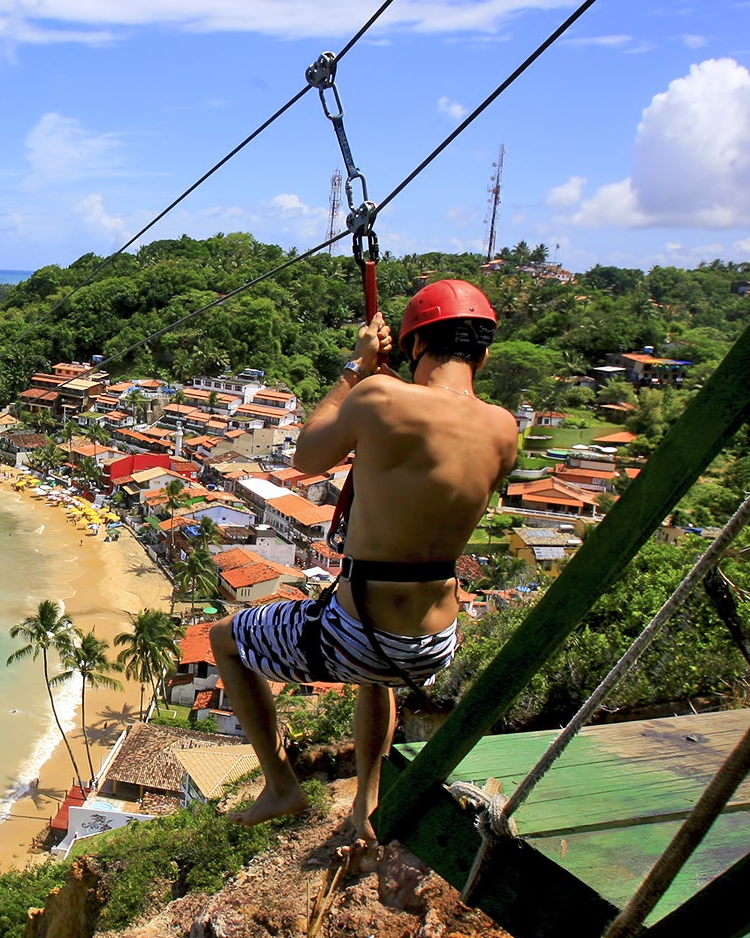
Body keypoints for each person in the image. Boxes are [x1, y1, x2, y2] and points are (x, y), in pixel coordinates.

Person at [209, 280, 519, 847]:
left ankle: (281, 786)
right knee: (375, 683)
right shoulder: (504, 428)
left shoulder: (380, 397)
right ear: (485, 353)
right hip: (433, 646)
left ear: (416, 344)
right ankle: (366, 802)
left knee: (224, 635)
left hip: (362, 639)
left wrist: (357, 367)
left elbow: (307, 455)